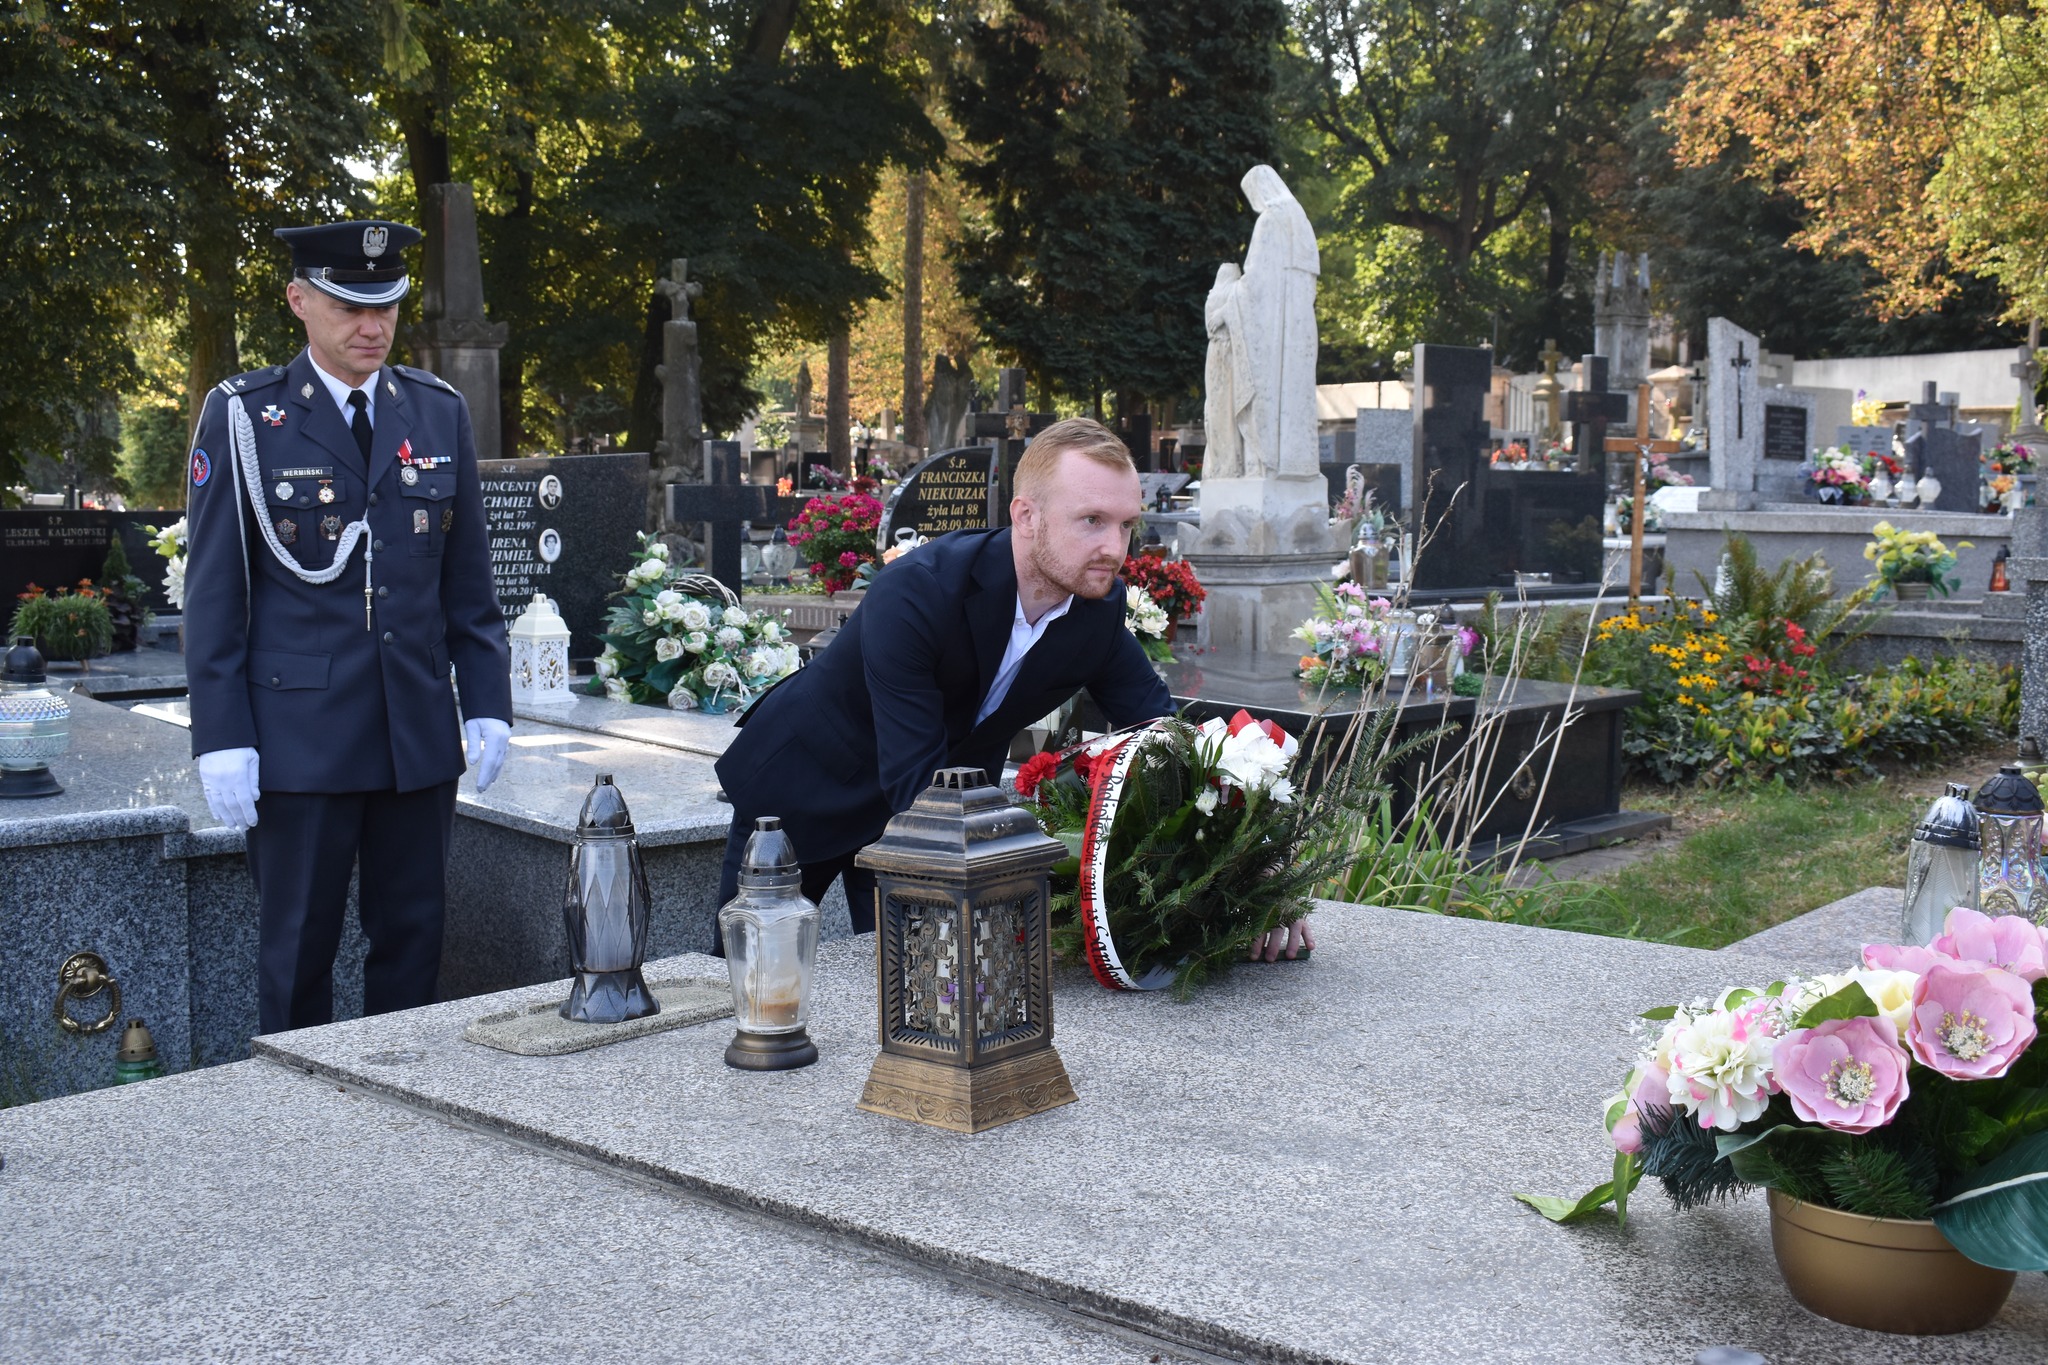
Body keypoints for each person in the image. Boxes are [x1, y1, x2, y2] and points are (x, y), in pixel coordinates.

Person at [713, 416, 1316, 962]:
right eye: (1092, 521)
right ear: (1026, 516)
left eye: (1126, 525)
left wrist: (1254, 873)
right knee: (750, 982)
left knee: (920, 988)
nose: (1116, 548)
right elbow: (913, 784)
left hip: (937, 808)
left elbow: (1167, 740)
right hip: (803, 791)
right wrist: (1044, 864)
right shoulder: (918, 591)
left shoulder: (1096, 611)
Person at [182, 219, 512, 1034]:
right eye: (349, 308)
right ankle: (298, 1107)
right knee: (298, 953)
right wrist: (221, 735)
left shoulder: (435, 411)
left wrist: (487, 700)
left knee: (413, 944)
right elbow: (215, 593)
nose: (372, 326)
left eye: (386, 306)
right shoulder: (245, 416)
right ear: (299, 301)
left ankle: (398, 1093)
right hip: (303, 738)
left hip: (414, 733)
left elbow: (468, 583)